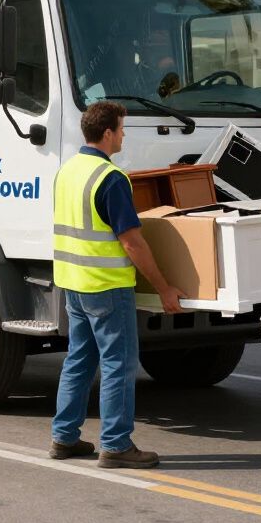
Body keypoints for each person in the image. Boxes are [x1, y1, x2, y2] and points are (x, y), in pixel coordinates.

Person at [50, 101, 185, 468]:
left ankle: (64, 437)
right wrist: (163, 287)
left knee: (79, 359)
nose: (124, 135)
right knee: (119, 364)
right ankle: (116, 445)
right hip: (106, 286)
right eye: (122, 129)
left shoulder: (67, 171)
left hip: (73, 284)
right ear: (108, 133)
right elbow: (132, 242)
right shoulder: (110, 178)